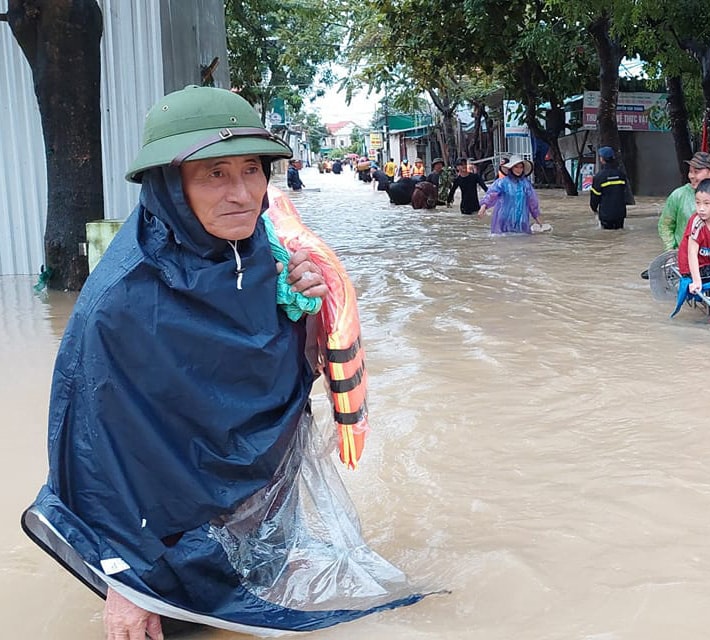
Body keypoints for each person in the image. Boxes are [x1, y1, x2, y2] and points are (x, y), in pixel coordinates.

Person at [21, 85, 419, 639]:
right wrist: (125, 583)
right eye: (214, 174)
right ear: (170, 185)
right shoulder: (120, 303)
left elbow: (272, 394)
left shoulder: (264, 252)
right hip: (163, 542)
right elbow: (95, 455)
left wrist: (300, 311)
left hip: (256, 512)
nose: (242, 194)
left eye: (252, 169)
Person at [658, 151, 710, 251]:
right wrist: (671, 250)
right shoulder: (678, 195)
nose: (691, 176)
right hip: (685, 256)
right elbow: (665, 225)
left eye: (696, 172)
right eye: (690, 171)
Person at [477, 155, 546, 234]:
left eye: (521, 167)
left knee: (522, 243)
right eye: (516, 167)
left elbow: (533, 203)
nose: (519, 170)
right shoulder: (501, 183)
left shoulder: (526, 185)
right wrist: (483, 207)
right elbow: (490, 195)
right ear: (511, 168)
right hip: (503, 221)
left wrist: (538, 220)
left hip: (521, 221)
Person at [589, 146, 629, 230]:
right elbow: (625, 192)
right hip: (620, 214)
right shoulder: (621, 174)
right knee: (619, 235)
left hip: (606, 215)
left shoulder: (599, 177)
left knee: (607, 238)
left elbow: (595, 197)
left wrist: (594, 208)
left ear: (602, 159)